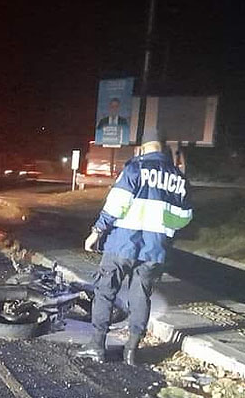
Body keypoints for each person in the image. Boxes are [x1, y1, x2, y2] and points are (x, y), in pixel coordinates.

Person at [76, 129, 193, 365]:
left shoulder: (135, 168)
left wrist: (96, 232)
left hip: (122, 243)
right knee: (141, 296)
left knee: (105, 291)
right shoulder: (179, 178)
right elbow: (184, 217)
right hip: (154, 249)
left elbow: (116, 205)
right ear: (163, 148)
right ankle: (131, 350)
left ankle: (97, 346)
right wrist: (161, 228)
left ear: (142, 148)